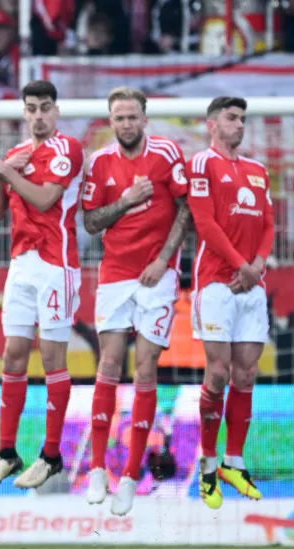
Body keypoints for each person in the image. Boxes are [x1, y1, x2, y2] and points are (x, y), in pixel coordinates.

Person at [79, 86, 191, 515]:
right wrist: (125, 202)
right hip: (115, 275)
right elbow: (90, 223)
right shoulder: (101, 162)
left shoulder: (166, 153)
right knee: (108, 364)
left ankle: (130, 475)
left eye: (132, 117)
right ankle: (97, 469)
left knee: (146, 367)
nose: (125, 124)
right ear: (111, 122)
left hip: (157, 276)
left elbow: (187, 209)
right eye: (118, 118)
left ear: (145, 119)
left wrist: (165, 260)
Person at [0, 80, 85, 490]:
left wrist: (5, 169)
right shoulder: (17, 153)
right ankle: (6, 452)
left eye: (45, 108)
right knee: (13, 354)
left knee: (52, 357)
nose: (38, 115)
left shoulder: (67, 149)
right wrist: (0, 175)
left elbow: (45, 200)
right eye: (31, 109)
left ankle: (51, 455)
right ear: (24, 113)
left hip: (57, 264)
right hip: (21, 264)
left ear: (56, 112)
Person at [186, 96, 275, 508]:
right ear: (212, 124)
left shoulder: (258, 171)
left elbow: (269, 224)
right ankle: (207, 463)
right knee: (218, 372)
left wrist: (256, 266)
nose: (239, 124)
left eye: (242, 118)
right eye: (231, 117)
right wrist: (244, 265)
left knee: (248, 373)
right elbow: (205, 223)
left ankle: (232, 461)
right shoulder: (202, 163)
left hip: (251, 285)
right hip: (217, 284)